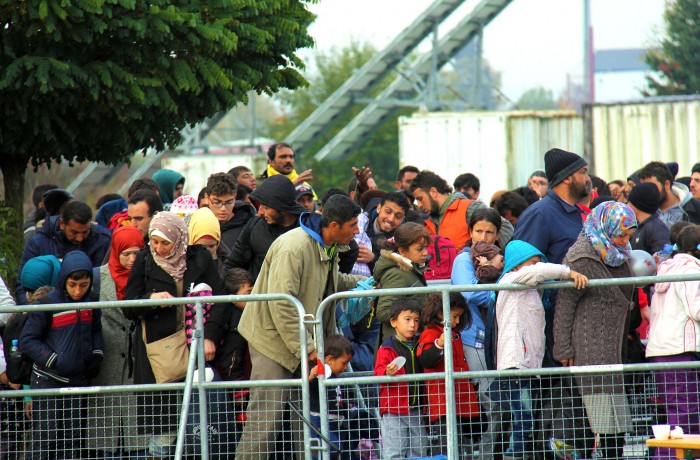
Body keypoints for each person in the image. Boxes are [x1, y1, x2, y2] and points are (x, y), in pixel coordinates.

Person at [234, 194, 363, 460]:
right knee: (265, 421)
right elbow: (282, 304)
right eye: (353, 224)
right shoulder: (294, 247)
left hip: (300, 341)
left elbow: (328, 279)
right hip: (272, 341)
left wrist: (365, 283)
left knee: (303, 422)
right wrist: (310, 348)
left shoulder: (326, 245)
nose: (358, 231)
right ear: (335, 225)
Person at [124, 212, 228, 452]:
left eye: (165, 242)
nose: (158, 248)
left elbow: (222, 299)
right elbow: (128, 307)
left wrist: (210, 336)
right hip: (160, 357)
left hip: (194, 350)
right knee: (165, 432)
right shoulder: (144, 260)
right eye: (154, 241)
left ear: (179, 238)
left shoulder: (199, 258)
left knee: (198, 425)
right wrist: (150, 299)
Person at [554, 202, 638, 459]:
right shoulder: (581, 257)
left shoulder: (618, 253)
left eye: (629, 236)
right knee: (599, 416)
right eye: (621, 235)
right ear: (606, 227)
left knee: (613, 418)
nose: (625, 241)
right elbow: (565, 306)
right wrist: (563, 348)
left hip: (612, 345)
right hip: (590, 346)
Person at [493, 240, 587, 460]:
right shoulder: (511, 280)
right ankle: (513, 456)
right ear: (516, 264)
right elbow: (538, 272)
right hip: (516, 364)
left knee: (526, 419)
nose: (536, 266)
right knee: (523, 419)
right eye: (532, 262)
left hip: (525, 365)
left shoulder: (526, 288)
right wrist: (569, 272)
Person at [21, 251, 103, 460]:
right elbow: (28, 341)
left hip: (76, 381)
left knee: (71, 441)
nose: (77, 291)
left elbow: (96, 330)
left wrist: (96, 354)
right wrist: (55, 360)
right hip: (48, 381)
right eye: (72, 284)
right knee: (44, 439)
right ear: (63, 279)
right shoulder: (48, 303)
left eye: (83, 285)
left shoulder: (92, 301)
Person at [513, 147, 590, 366]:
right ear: (567, 178)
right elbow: (523, 270)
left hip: (577, 316)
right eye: (583, 172)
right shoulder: (540, 214)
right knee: (556, 393)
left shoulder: (577, 213)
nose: (587, 179)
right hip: (551, 321)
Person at [86, 225, 148, 458]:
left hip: (137, 369)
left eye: (137, 253)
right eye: (126, 253)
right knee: (105, 444)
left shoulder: (149, 277)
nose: (132, 259)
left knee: (138, 444)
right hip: (105, 368)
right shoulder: (96, 278)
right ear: (115, 251)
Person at [450, 207, 506, 459]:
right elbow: (470, 293)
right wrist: (502, 293)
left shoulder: (501, 257)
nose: (483, 237)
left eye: (489, 232)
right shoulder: (464, 259)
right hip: (474, 338)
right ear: (470, 231)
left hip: (496, 338)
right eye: (478, 230)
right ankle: (484, 454)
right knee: (490, 401)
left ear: (498, 234)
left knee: (498, 402)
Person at [646, 225, 700, 460]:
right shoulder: (690, 269)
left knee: (676, 409)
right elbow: (696, 309)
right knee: (686, 410)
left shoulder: (667, 267)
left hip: (664, 348)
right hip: (679, 348)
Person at [417, 292, 480, 456]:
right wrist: (439, 345)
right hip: (443, 402)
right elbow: (426, 360)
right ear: (440, 313)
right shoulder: (431, 334)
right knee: (446, 450)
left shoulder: (454, 333)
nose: (458, 321)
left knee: (462, 448)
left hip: (460, 400)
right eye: (455, 316)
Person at [17, 200, 112, 305]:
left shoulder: (103, 240)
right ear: (62, 223)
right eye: (74, 232)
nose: (80, 238)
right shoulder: (37, 243)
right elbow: (23, 285)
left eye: (85, 232)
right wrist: (32, 311)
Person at [223, 175, 307, 282]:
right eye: (260, 205)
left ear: (282, 208)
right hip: (260, 297)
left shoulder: (308, 229)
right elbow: (232, 265)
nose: (261, 211)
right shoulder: (254, 227)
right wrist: (241, 289)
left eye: (266, 207)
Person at [374, 298, 428, 460]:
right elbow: (378, 374)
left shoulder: (420, 344)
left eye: (416, 320)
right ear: (393, 322)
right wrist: (386, 372)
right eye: (407, 319)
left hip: (417, 410)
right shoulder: (386, 348)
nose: (412, 325)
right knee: (394, 453)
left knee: (419, 452)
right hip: (393, 411)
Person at [373, 222, 430, 344]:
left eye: (426, 247)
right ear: (402, 251)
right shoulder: (397, 273)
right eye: (420, 249)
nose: (425, 253)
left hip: (407, 342)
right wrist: (414, 319)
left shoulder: (411, 270)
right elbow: (383, 312)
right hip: (397, 346)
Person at [308, 334, 355, 459]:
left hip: (336, 422)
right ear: (329, 359)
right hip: (319, 422)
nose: (346, 367)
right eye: (344, 363)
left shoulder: (336, 375)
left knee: (340, 449)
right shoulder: (318, 374)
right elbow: (308, 388)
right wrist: (311, 377)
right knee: (333, 448)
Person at [216, 268, 254, 381]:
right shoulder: (235, 324)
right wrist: (239, 392)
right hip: (236, 384)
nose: (254, 297)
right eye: (248, 293)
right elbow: (232, 361)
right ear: (233, 298)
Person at [638, 161, 700, 226]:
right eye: (644, 188)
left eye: (651, 187)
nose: (647, 192)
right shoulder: (643, 212)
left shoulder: (695, 209)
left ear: (666, 185)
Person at [205, 172, 255, 251]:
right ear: (207, 198)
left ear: (235, 198)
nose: (223, 208)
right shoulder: (198, 225)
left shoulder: (249, 225)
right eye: (217, 202)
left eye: (229, 202)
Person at [366, 191, 410, 272]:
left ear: (402, 219)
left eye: (398, 216)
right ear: (379, 208)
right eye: (388, 212)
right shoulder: (360, 223)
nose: (391, 219)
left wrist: (373, 259)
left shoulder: (402, 240)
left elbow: (397, 272)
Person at [627, 182, 670, 255]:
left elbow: (663, 257)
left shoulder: (656, 228)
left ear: (637, 204)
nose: (627, 205)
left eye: (629, 202)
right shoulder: (637, 227)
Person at [188, 206, 227, 278]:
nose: (207, 251)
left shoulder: (226, 260)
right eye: (202, 246)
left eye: (211, 246)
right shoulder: (179, 263)